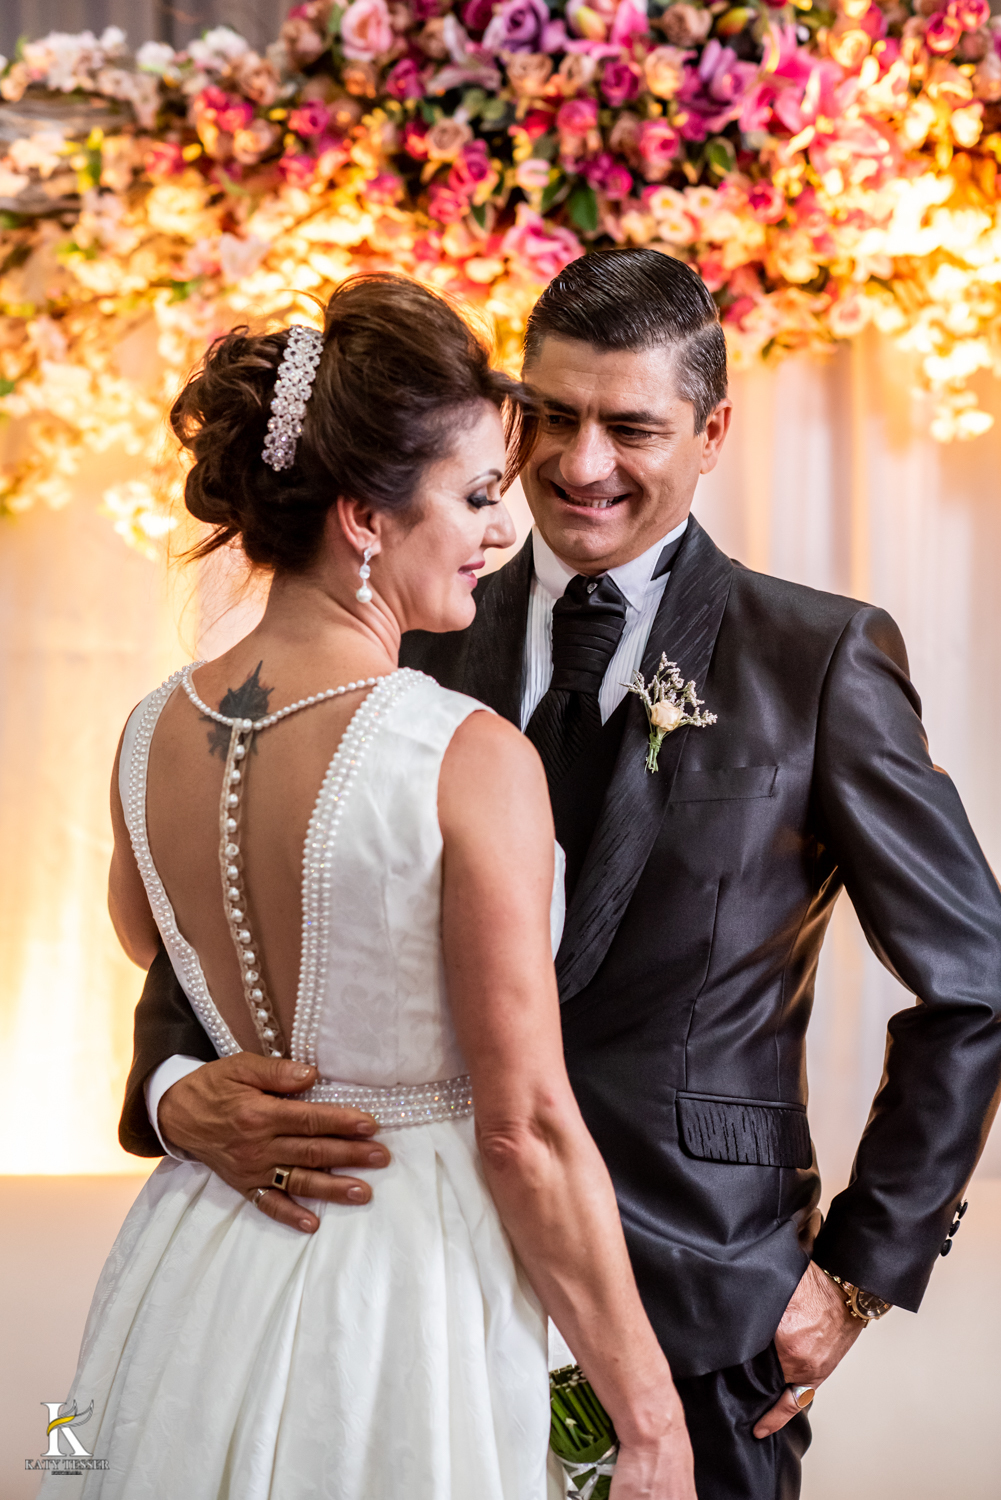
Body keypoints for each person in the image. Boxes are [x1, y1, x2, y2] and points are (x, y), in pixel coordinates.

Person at [120, 251, 1001, 1500]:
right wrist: (171, 1086)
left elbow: (973, 982)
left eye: (630, 427)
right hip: (404, 1293)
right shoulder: (409, 617)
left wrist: (856, 1276)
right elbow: (249, 885)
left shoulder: (815, 657)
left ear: (712, 435)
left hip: (699, 1304)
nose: (579, 465)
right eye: (551, 417)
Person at [46, 275, 698, 1500]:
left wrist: (187, 1092)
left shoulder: (143, 732)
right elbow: (525, 1129)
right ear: (361, 519)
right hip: (408, 1286)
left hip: (191, 1270)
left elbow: (154, 952)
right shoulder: (464, 755)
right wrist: (647, 1419)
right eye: (474, 497)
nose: (500, 535)